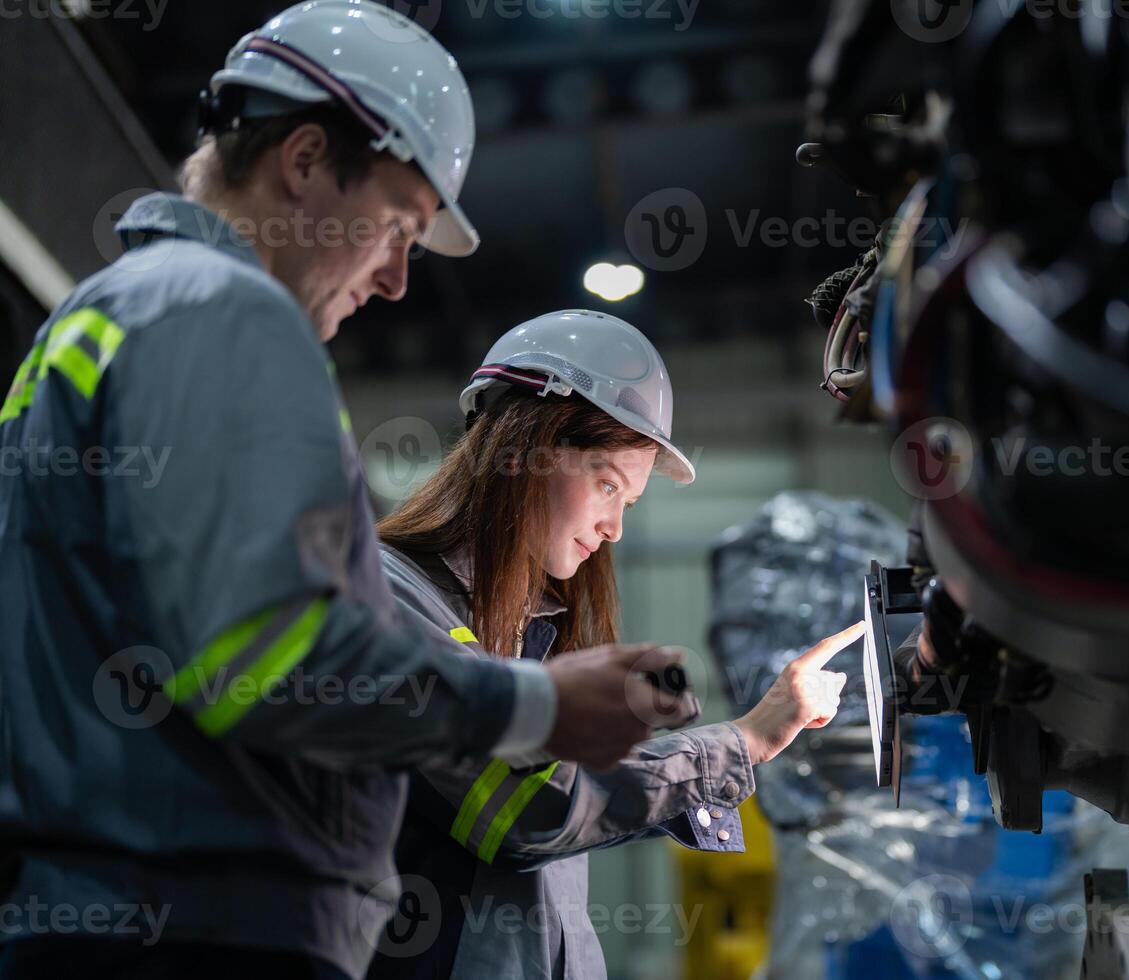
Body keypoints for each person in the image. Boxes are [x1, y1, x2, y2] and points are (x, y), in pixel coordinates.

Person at [0, 6, 675, 979]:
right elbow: (268, 646)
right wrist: (533, 703)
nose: (400, 277)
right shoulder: (222, 310)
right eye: (399, 221)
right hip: (203, 929)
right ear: (306, 159)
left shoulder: (97, 320)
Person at [366, 309, 862, 979]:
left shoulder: (528, 635)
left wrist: (713, 759)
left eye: (625, 499)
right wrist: (743, 742)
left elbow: (580, 797)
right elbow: (529, 810)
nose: (615, 529)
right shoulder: (387, 597)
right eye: (607, 485)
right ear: (520, 448)